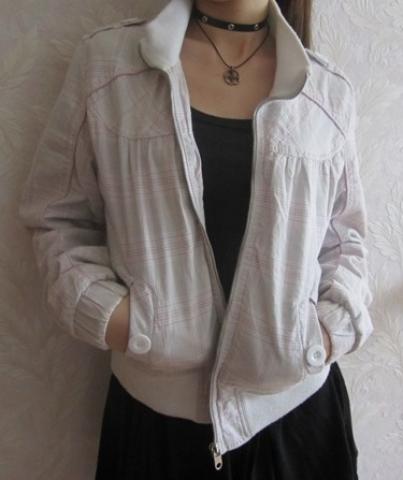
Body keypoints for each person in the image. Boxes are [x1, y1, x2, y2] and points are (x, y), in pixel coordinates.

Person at [18, 0, 374, 478]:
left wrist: (321, 336)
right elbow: (56, 216)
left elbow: (346, 241)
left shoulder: (326, 92)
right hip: (155, 429)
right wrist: (125, 321)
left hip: (300, 426)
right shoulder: (109, 67)